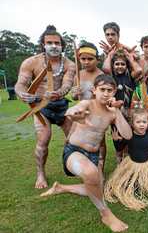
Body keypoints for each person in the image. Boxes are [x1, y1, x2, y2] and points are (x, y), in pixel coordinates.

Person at [40, 75, 132, 232]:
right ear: (94, 90)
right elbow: (73, 110)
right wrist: (76, 113)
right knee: (91, 175)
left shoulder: (111, 113)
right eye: (102, 89)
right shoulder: (87, 103)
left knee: (96, 188)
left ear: (114, 92)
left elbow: (128, 135)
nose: (105, 93)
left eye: (109, 90)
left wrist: (116, 111)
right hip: (74, 152)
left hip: (94, 156)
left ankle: (61, 188)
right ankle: (106, 214)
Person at [14, 25, 76, 189]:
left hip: (61, 105)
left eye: (57, 43)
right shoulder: (31, 62)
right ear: (43, 44)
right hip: (41, 107)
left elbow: (67, 84)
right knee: (43, 140)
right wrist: (21, 93)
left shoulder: (69, 64)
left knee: (73, 139)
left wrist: (59, 92)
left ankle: (70, 165)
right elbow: (20, 84)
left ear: (62, 45)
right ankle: (40, 173)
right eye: (50, 42)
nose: (54, 46)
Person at [104, 106, 148, 211]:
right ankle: (132, 184)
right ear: (132, 124)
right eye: (138, 122)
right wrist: (116, 140)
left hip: (146, 164)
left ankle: (142, 182)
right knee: (128, 184)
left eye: (144, 122)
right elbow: (120, 148)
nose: (142, 124)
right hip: (132, 164)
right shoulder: (129, 136)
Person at [70, 41, 107, 172]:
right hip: (82, 114)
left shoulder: (101, 75)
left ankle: (100, 167)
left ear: (97, 59)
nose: (86, 62)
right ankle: (88, 166)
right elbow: (74, 97)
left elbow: (105, 98)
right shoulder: (78, 75)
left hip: (98, 114)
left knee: (99, 141)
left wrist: (95, 96)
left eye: (90, 59)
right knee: (82, 141)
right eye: (83, 59)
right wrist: (75, 93)